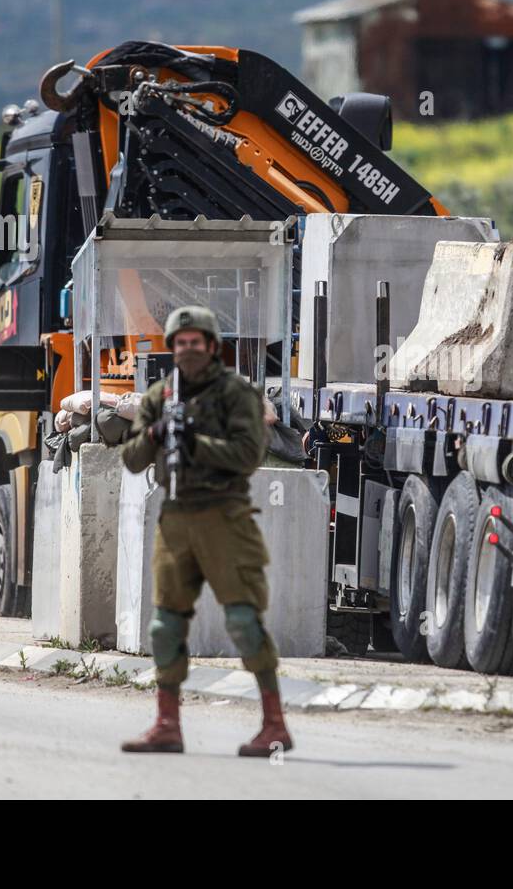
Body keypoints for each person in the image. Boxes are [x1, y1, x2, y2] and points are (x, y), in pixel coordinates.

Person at [118, 305, 292, 757]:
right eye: (180, 342)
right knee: (164, 625)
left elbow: (248, 454)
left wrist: (197, 440)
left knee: (242, 620)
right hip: (175, 518)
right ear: (171, 347)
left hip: (225, 516)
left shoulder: (237, 393)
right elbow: (133, 460)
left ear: (213, 347)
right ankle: (166, 724)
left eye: (196, 342)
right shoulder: (159, 396)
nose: (188, 349)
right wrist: (156, 433)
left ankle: (274, 723)